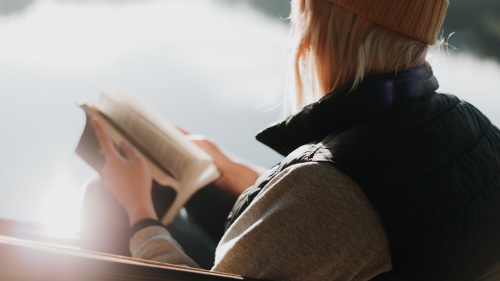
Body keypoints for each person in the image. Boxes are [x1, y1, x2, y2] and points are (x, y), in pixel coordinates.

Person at [87, 0, 500, 280]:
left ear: (324, 28)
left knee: (106, 196)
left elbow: (337, 212)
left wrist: (140, 213)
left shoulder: (328, 190)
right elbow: (385, 208)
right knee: (200, 196)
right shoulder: (479, 132)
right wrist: (236, 171)